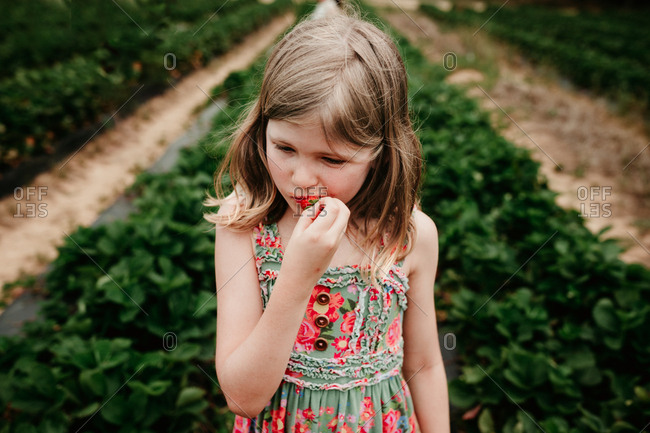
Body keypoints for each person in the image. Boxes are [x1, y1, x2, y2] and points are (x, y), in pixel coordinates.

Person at [204, 11, 450, 433]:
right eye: (284, 147)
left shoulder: (409, 237)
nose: (301, 178)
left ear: (381, 153)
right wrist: (298, 274)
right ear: (261, 130)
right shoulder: (244, 227)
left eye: (332, 159)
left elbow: (424, 365)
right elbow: (243, 398)